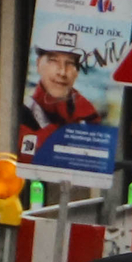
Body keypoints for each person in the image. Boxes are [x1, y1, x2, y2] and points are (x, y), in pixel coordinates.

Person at [20, 29, 100, 164]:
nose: (62, 72)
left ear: (77, 72)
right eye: (53, 61)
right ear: (38, 64)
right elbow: (26, 156)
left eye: (70, 63)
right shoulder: (24, 111)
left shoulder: (87, 112)